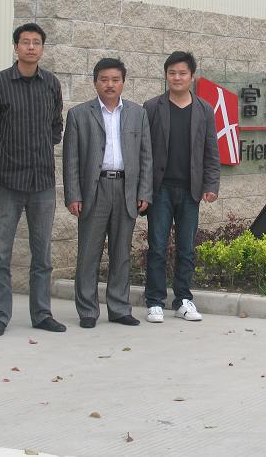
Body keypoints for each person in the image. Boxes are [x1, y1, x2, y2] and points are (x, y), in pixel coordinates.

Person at [0, 23, 66, 336]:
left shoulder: (51, 83)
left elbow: (56, 127)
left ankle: (42, 314)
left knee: (42, 255)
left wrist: (38, 148)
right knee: (0, 253)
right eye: (25, 42)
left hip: (42, 182)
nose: (31, 47)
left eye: (36, 42)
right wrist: (4, 156)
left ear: (42, 48)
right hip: (7, 182)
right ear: (16, 47)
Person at [62, 58, 153, 328]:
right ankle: (88, 311)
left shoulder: (138, 113)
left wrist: (144, 191)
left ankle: (119, 308)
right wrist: (73, 195)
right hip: (94, 189)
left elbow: (146, 155)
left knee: (121, 253)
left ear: (123, 82)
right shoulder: (79, 114)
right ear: (95, 82)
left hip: (126, 189)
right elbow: (71, 159)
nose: (110, 84)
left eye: (115, 79)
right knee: (88, 253)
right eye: (104, 79)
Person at [143, 51, 220, 323]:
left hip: (190, 191)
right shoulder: (152, 107)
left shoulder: (204, 110)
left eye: (182, 73)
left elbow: (211, 151)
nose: (177, 77)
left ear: (192, 77)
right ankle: (154, 301)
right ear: (166, 75)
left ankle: (183, 300)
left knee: (186, 248)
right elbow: (143, 152)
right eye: (172, 73)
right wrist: (143, 190)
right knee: (157, 247)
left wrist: (211, 184)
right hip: (160, 190)